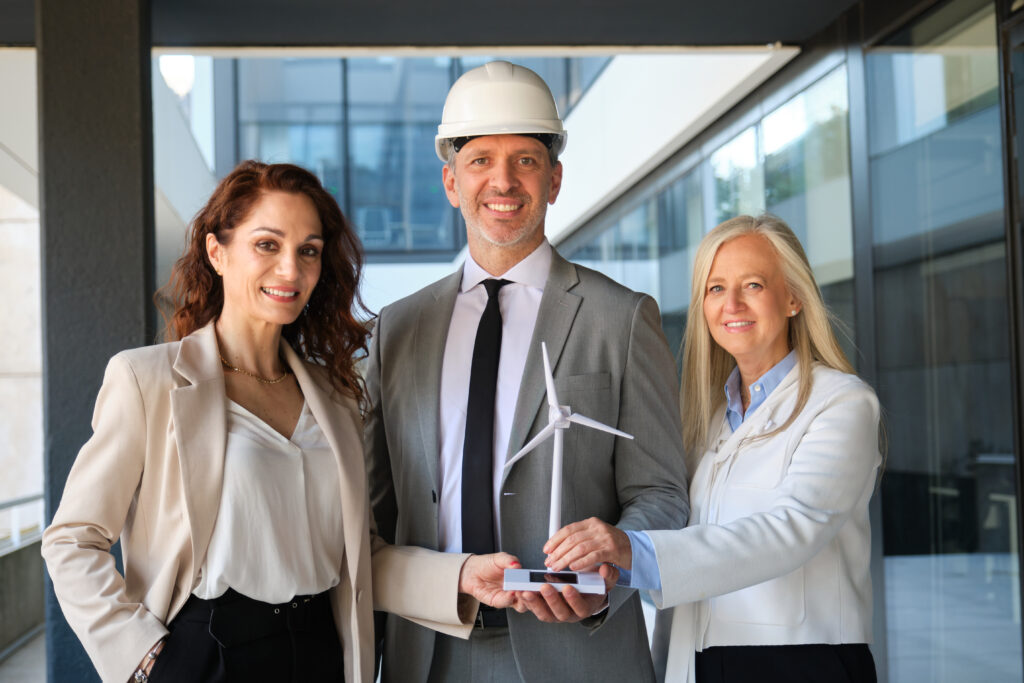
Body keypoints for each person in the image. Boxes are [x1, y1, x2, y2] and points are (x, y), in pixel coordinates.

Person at [41, 160, 522, 683]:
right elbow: (72, 539)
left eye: (308, 251)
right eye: (267, 245)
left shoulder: (335, 398)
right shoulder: (146, 380)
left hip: (321, 653)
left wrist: (464, 575)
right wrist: (143, 656)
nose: (291, 271)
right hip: (206, 655)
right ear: (216, 251)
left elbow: (358, 560)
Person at [364, 61, 689, 683]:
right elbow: (374, 519)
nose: (503, 181)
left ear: (556, 179)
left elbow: (662, 496)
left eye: (526, 160)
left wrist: (610, 575)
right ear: (450, 182)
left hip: (579, 651)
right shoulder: (395, 331)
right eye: (480, 159)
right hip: (431, 649)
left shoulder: (621, 319)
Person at [544, 214, 882, 682]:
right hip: (694, 659)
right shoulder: (703, 421)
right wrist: (607, 575)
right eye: (716, 288)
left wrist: (630, 549)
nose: (732, 304)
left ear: (793, 299)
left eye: (754, 285)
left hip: (802, 662)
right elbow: (683, 541)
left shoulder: (842, 404)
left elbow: (792, 528)